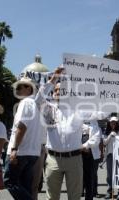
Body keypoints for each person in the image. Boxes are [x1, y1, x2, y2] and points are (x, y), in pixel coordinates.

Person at [39, 67, 108, 200]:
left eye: (62, 90)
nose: (59, 92)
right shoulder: (48, 109)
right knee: (51, 197)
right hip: (53, 159)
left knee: (74, 197)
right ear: (53, 93)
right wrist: (53, 79)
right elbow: (38, 99)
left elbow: (102, 114)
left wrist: (113, 97)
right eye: (56, 90)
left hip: (74, 159)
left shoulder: (79, 110)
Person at [4, 77, 43, 200]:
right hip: (33, 153)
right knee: (25, 186)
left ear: (29, 88)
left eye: (20, 87)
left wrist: (14, 148)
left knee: (10, 182)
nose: (17, 90)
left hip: (21, 152)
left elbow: (22, 126)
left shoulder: (26, 102)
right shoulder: (38, 106)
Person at [103, 116, 119, 200]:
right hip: (110, 155)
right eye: (112, 122)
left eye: (114, 122)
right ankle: (109, 191)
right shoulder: (106, 131)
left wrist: (117, 136)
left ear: (117, 123)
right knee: (110, 175)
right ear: (109, 123)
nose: (113, 123)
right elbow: (104, 142)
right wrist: (109, 136)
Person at [81, 120, 101, 200]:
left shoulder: (94, 123)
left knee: (89, 179)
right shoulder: (77, 120)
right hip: (78, 154)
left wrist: (84, 146)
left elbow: (95, 139)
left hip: (90, 155)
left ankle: (89, 197)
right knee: (78, 178)